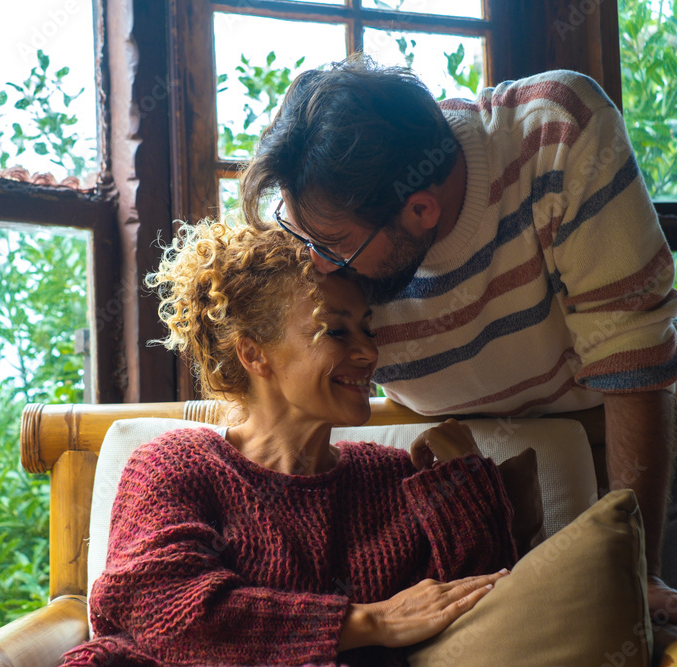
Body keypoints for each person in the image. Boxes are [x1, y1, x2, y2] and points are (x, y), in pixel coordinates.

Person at [239, 54, 677, 637]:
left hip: (612, 436)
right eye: (300, 233)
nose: (316, 264)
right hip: (451, 457)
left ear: (421, 210)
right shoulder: (327, 219)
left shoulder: (557, 132)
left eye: (334, 247)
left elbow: (632, 363)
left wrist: (637, 570)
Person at [60, 222, 516, 666]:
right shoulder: (174, 465)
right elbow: (166, 614)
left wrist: (465, 480)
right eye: (336, 331)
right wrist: (369, 622)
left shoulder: (393, 478)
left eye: (367, 329)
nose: (368, 352)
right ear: (254, 353)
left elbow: (483, 611)